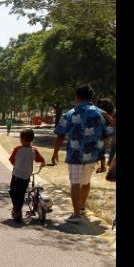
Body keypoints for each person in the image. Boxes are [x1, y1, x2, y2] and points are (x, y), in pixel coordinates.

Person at [50, 85, 106, 223]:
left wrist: (55, 152)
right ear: (91, 97)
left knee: (75, 183)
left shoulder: (70, 113)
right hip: (91, 155)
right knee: (86, 182)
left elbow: (60, 135)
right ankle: (81, 207)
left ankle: (76, 215)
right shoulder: (101, 113)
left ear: (77, 97)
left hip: (75, 154)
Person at [9, 129, 46, 222]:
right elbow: (41, 160)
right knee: (21, 194)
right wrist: (42, 164)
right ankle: (17, 210)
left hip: (16, 175)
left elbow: (11, 160)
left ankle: (17, 211)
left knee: (13, 193)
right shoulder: (34, 150)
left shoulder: (17, 149)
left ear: (22, 139)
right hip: (26, 177)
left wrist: (16, 166)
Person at [95, 98, 115, 173]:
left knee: (101, 149)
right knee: (103, 149)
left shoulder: (102, 113)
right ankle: (103, 166)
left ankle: (103, 166)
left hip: (103, 133)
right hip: (106, 133)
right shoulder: (110, 113)